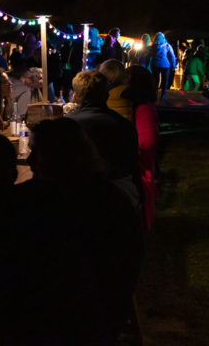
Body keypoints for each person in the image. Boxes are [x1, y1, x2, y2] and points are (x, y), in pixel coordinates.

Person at [0, 127, 142, 343]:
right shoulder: (81, 197)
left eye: (37, 153)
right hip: (96, 320)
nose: (30, 161)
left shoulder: (13, 214)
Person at [69, 70, 140, 208]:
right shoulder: (124, 125)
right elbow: (132, 164)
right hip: (120, 196)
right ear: (106, 95)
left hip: (79, 196)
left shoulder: (67, 126)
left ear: (75, 97)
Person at [124, 65, 160, 231]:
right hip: (143, 154)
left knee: (144, 184)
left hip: (141, 155)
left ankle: (145, 223)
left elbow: (145, 141)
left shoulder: (143, 107)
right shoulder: (144, 104)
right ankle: (146, 222)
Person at [151, 32, 176, 100]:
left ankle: (155, 95)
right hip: (165, 65)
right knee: (165, 80)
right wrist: (173, 66)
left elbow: (150, 55)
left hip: (155, 64)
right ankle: (163, 95)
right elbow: (172, 56)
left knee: (155, 81)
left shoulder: (153, 46)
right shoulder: (167, 45)